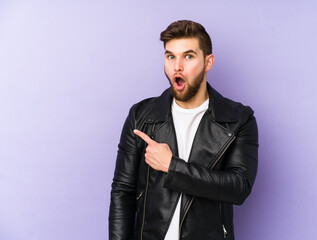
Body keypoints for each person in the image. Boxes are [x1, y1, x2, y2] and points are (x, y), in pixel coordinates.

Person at [109, 20, 258, 240]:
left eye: (188, 56)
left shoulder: (237, 120)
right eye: (171, 56)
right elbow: (123, 192)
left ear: (208, 62)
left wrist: (172, 166)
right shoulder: (141, 116)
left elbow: (238, 187)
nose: (177, 66)